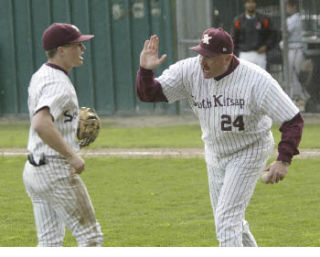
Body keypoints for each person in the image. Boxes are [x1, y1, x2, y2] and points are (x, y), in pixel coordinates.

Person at [136, 27, 303, 247]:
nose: (202, 62)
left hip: (249, 150)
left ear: (227, 57)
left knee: (226, 221)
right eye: (201, 54)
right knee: (231, 222)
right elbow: (150, 94)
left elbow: (292, 119)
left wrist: (283, 160)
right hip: (215, 152)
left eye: (210, 57)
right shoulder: (189, 70)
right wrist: (146, 71)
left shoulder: (257, 80)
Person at [23, 23, 103, 246]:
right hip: (55, 170)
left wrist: (69, 122)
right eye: (78, 45)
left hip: (34, 170)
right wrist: (71, 154)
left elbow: (45, 120)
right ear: (61, 50)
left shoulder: (41, 74)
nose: (83, 50)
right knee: (91, 237)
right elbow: (41, 123)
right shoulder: (59, 84)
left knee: (49, 242)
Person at [280, 0, 310, 111]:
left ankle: (299, 99)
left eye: (288, 6)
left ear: (292, 6)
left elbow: (285, 33)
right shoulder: (301, 17)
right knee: (295, 76)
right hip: (296, 49)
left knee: (294, 76)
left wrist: (281, 44)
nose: (287, 8)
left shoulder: (294, 18)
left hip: (295, 49)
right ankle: (298, 98)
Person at [232, 0, 277, 69]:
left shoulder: (264, 19)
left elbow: (273, 34)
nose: (250, 4)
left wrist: (266, 46)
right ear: (245, 4)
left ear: (255, 4)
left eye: (253, 2)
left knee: (261, 78)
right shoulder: (238, 20)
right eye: (248, 2)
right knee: (245, 78)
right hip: (244, 54)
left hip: (260, 54)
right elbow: (234, 38)